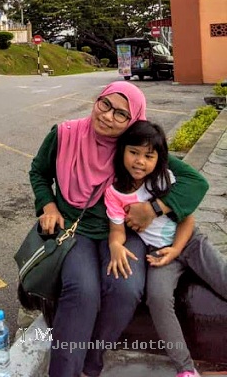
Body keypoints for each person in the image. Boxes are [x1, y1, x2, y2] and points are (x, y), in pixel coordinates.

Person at [29, 81, 209, 377]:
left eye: (122, 114)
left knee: (126, 289)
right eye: (105, 105)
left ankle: (92, 358)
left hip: (124, 231)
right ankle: (64, 371)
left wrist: (152, 209)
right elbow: (39, 171)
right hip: (79, 229)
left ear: (134, 119)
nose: (109, 117)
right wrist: (47, 205)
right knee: (82, 291)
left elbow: (196, 183)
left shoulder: (133, 145)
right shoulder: (64, 135)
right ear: (97, 101)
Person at [106, 120, 227, 377]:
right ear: (122, 151)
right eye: (134, 152)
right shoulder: (115, 193)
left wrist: (177, 249)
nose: (140, 161)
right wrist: (116, 246)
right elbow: (116, 231)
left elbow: (188, 219)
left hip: (190, 242)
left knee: (223, 279)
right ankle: (185, 368)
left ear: (159, 159)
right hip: (159, 255)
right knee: (158, 298)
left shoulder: (164, 180)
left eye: (148, 156)